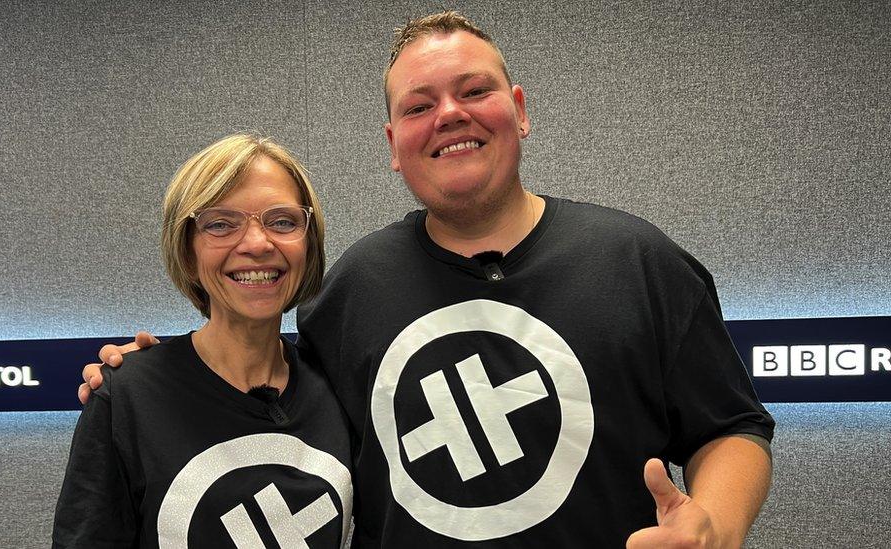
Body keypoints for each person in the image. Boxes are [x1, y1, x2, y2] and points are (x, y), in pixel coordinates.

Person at [81, 12, 773, 547]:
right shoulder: (351, 290)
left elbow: (732, 426)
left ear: (521, 109)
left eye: (474, 90)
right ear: (392, 144)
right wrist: (149, 376)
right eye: (418, 105)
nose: (449, 115)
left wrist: (714, 523)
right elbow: (265, 397)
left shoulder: (639, 261)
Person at [55, 134, 352, 548]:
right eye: (220, 224)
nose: (256, 244)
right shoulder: (128, 398)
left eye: (282, 221)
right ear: (188, 252)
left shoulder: (339, 385)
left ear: (309, 243)